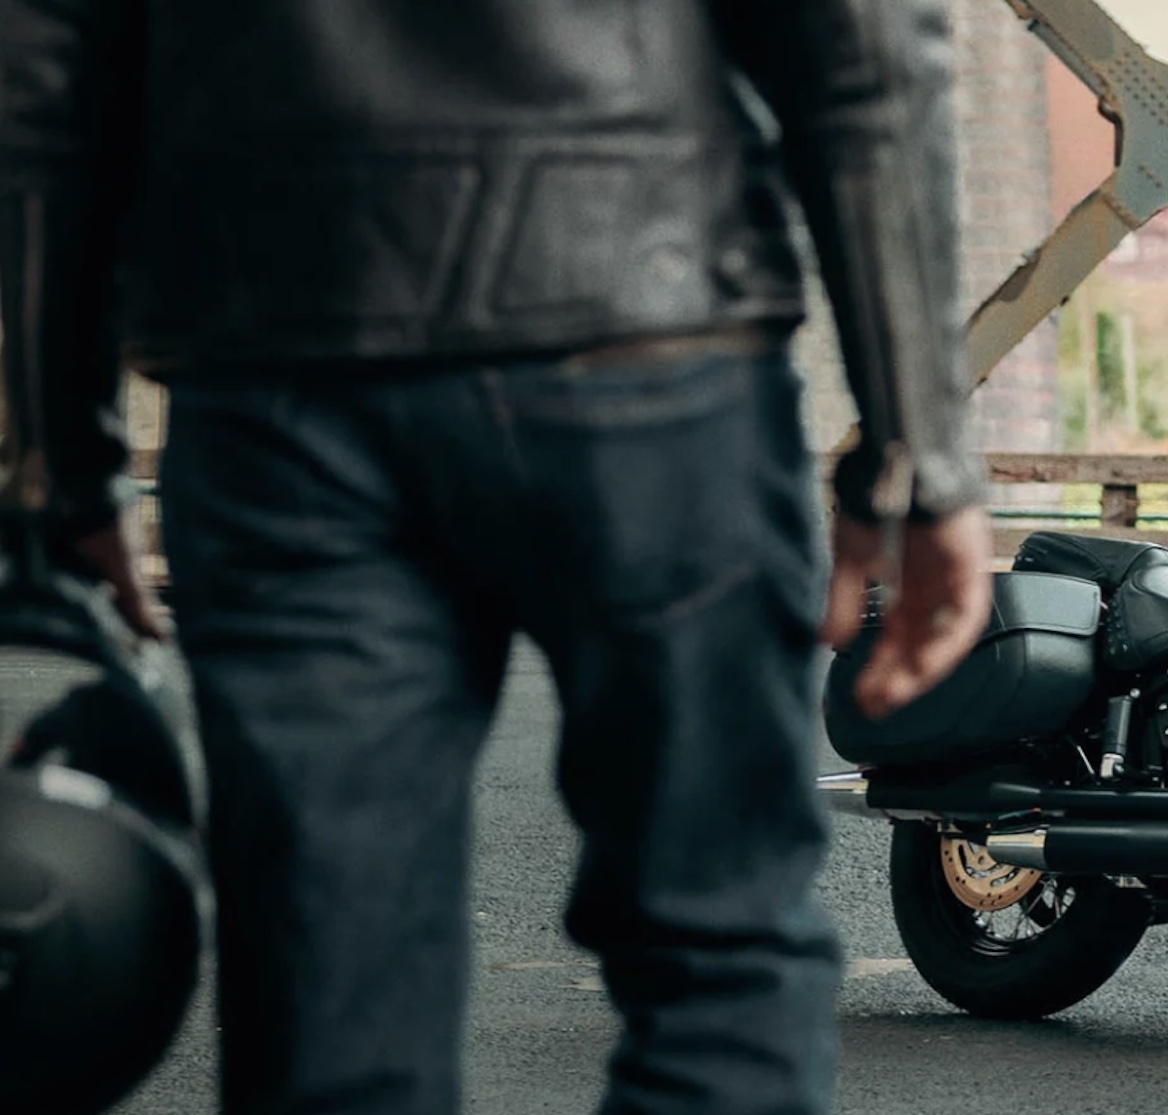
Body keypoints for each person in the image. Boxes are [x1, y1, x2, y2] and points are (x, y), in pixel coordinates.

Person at [0, 1, 994, 1112]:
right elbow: (862, 44)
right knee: (720, 949)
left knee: (331, 976)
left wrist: (61, 459)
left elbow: (42, 73)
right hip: (649, 352)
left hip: (283, 364)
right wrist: (918, 451)